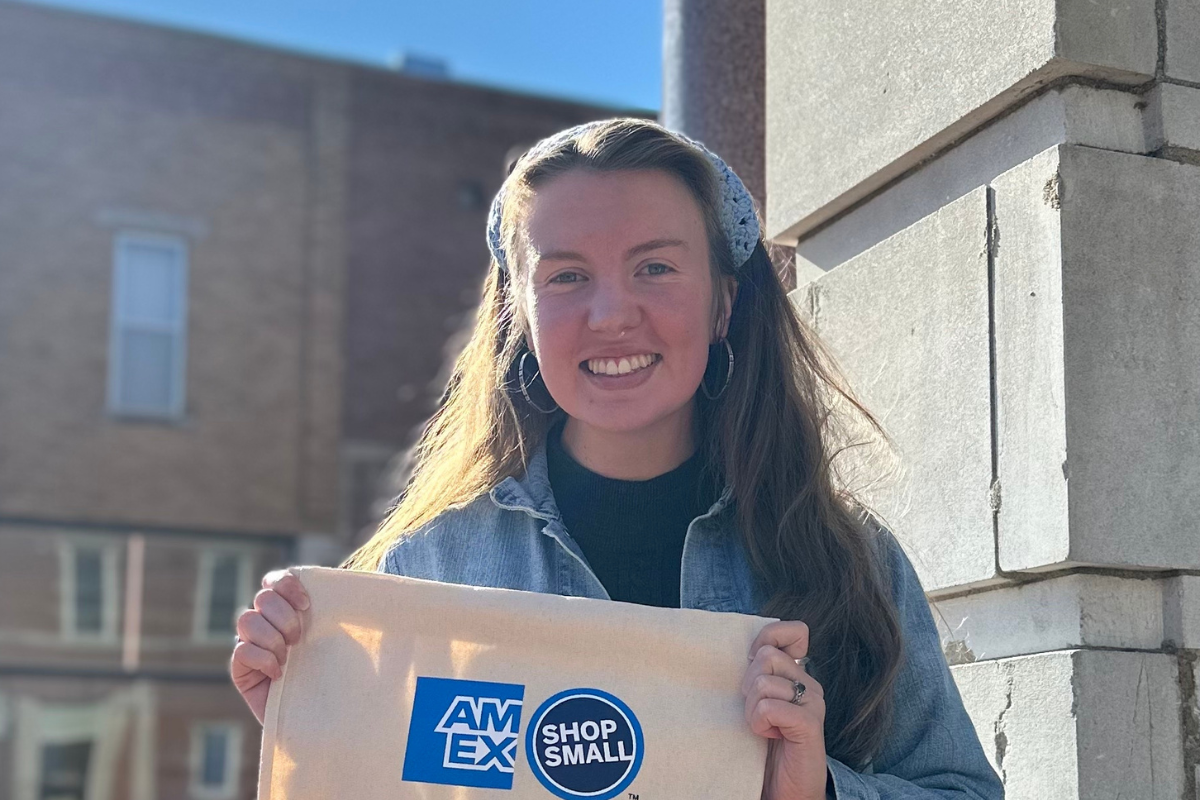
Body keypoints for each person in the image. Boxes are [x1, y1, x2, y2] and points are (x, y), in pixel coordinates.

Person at [231, 118, 1005, 800]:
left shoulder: (850, 558)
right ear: (519, 316)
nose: (610, 315)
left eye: (655, 267)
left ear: (724, 303)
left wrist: (818, 794)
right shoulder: (433, 565)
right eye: (567, 276)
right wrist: (320, 725)